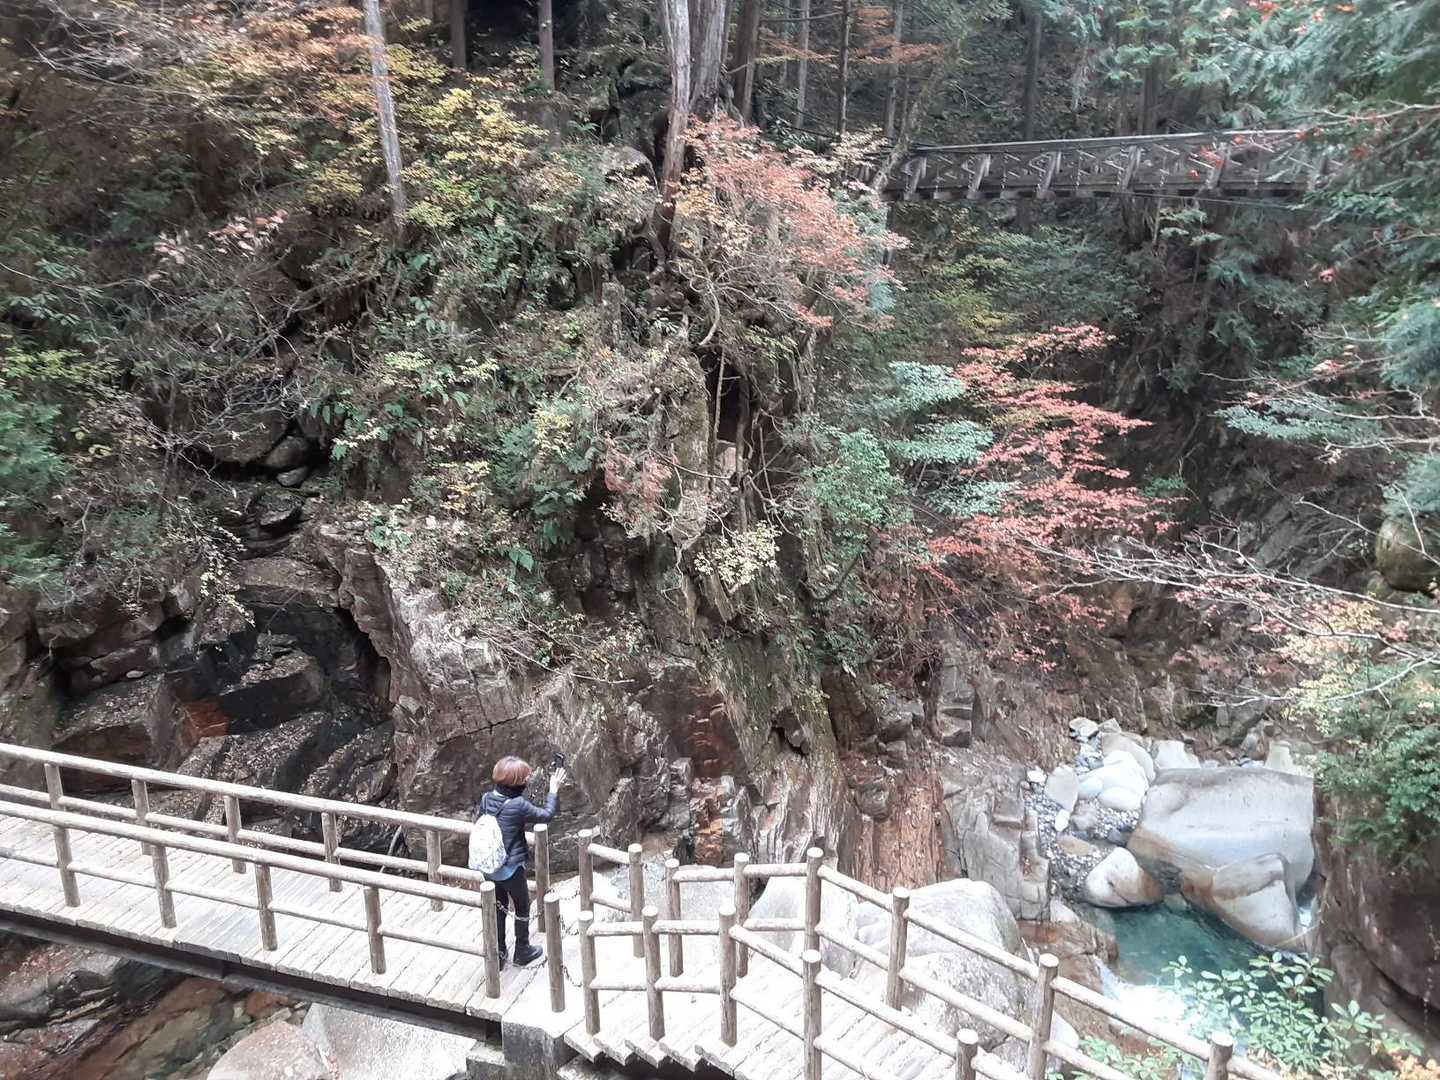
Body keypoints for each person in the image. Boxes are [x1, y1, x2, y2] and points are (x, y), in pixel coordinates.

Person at [477, 755, 565, 968]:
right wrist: (553, 790)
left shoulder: (487, 798)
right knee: (522, 906)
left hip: (489, 866)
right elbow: (546, 815)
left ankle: (499, 954)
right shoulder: (518, 805)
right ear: (516, 783)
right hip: (510, 868)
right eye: (525, 778)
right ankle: (522, 950)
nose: (527, 781)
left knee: (498, 906)